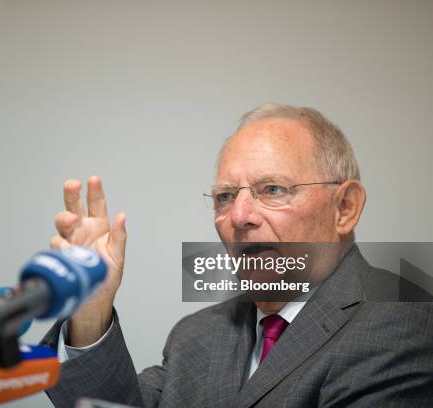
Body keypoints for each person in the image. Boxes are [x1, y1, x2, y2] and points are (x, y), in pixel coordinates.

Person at [42, 104, 433, 407]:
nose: (240, 217)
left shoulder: (407, 323)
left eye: (273, 190)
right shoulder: (196, 335)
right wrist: (91, 314)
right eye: (226, 196)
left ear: (344, 207)